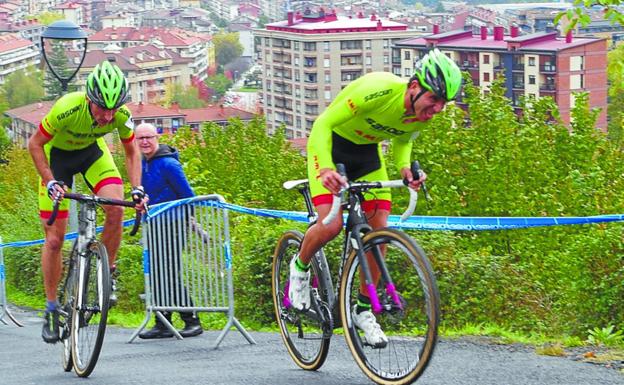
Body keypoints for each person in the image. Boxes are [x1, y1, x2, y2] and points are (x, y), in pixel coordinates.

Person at [289, 49, 462, 347]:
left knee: (379, 233)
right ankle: (300, 267)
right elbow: (323, 125)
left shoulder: (423, 115)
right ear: (413, 86)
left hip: (368, 157)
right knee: (330, 226)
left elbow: (403, 139)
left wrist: (406, 167)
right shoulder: (378, 89)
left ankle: (362, 309)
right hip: (333, 148)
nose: (437, 109)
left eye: (443, 104)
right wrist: (326, 168)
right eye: (433, 99)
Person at [28, 60, 146, 343]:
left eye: (112, 109)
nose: (107, 116)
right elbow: (35, 144)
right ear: (89, 99)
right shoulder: (66, 108)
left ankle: (108, 271)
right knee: (55, 240)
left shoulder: (122, 115)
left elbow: (131, 153)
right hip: (58, 161)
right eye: (101, 108)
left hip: (93, 155)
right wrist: (49, 180)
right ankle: (52, 308)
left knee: (117, 208)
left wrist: (138, 188)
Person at [135, 123, 202, 339]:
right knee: (156, 274)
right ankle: (163, 322)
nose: (145, 141)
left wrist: (187, 221)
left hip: (173, 225)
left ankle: (191, 320)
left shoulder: (169, 164)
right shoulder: (140, 163)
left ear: (157, 138)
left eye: (149, 137)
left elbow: (188, 194)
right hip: (154, 224)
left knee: (170, 273)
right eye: (140, 138)